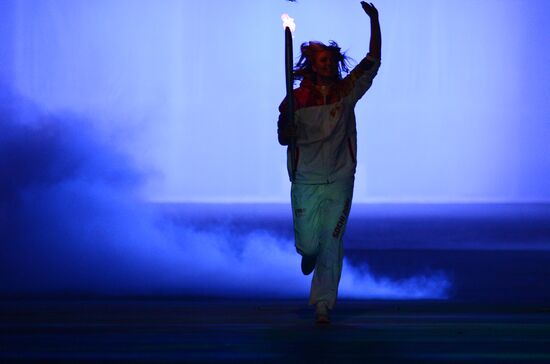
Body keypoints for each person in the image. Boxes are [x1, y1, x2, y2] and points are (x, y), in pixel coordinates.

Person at [277, 1, 381, 324]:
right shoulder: (295, 100)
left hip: (339, 177)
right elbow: (282, 136)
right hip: (306, 178)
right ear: (312, 63)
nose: (327, 64)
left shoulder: (345, 91)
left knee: (332, 240)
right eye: (322, 59)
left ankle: (323, 304)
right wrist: (288, 128)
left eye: (330, 60)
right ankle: (308, 253)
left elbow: (373, 61)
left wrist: (375, 21)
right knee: (309, 244)